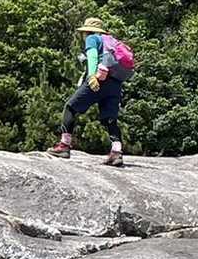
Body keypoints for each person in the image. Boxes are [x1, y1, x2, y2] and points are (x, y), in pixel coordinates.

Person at [47, 17, 133, 168]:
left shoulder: (92, 38)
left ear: (87, 31)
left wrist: (92, 76)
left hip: (99, 78)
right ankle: (116, 153)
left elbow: (92, 56)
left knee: (70, 107)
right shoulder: (111, 41)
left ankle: (64, 146)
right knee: (110, 119)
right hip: (115, 83)